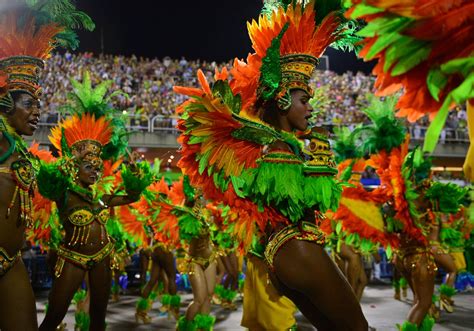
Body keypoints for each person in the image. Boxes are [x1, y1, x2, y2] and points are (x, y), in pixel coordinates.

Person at [175, 2, 368, 329]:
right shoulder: (277, 145)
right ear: (282, 98)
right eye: (304, 100)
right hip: (297, 248)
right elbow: (311, 198)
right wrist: (320, 154)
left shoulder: (271, 141)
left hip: (280, 255)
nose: (310, 108)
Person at [0, 3, 93, 330]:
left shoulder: (20, 152)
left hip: (11, 263)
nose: (38, 112)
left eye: (39, 104)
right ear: (6, 103)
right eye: (30, 104)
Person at [37, 74, 152, 331]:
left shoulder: (101, 196)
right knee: (55, 314)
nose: (95, 171)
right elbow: (47, 180)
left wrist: (134, 174)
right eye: (88, 166)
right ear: (75, 167)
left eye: (97, 167)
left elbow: (133, 197)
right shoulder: (64, 192)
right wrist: (69, 158)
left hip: (102, 258)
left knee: (99, 316)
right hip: (73, 258)